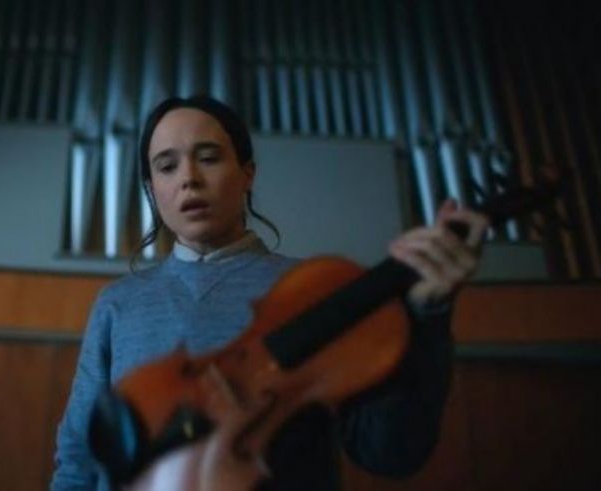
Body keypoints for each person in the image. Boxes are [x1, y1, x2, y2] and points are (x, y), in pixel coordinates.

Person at [50, 95, 489, 490]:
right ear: (151, 190)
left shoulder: (313, 291)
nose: (189, 179)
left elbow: (392, 454)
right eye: (166, 166)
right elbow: (79, 458)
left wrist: (429, 316)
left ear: (247, 175)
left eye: (209, 158)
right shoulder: (118, 303)